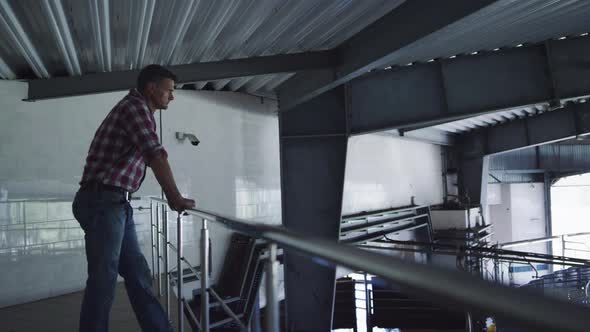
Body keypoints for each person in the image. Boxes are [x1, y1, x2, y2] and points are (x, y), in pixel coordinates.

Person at [72, 64, 195, 332]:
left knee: (138, 275)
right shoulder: (135, 108)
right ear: (152, 88)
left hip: (115, 203)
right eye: (169, 91)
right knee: (103, 281)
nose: (172, 97)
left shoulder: (140, 111)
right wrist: (175, 197)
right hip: (103, 201)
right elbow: (155, 154)